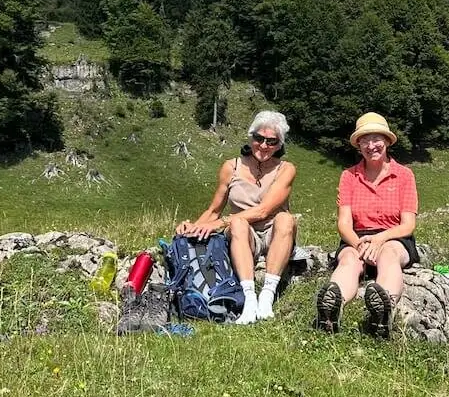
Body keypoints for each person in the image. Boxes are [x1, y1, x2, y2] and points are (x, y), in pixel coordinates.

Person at [176, 110, 297, 324]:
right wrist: (194, 226)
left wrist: (220, 223)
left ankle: (267, 295)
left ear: (279, 145)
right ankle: (249, 298)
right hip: (243, 234)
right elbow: (214, 209)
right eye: (259, 138)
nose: (263, 145)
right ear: (251, 138)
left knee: (286, 219)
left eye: (271, 141)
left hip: (274, 232)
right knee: (239, 222)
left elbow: (264, 211)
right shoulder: (231, 167)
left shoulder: (285, 169)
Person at [315, 112, 418, 338]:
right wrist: (360, 246)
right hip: (357, 237)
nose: (371, 145)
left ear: (387, 141)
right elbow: (343, 223)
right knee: (349, 260)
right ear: (358, 145)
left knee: (389, 255)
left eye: (376, 139)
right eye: (365, 140)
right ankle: (332, 308)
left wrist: (380, 240)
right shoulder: (348, 177)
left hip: (394, 237)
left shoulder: (404, 176)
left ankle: (383, 310)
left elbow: (408, 225)